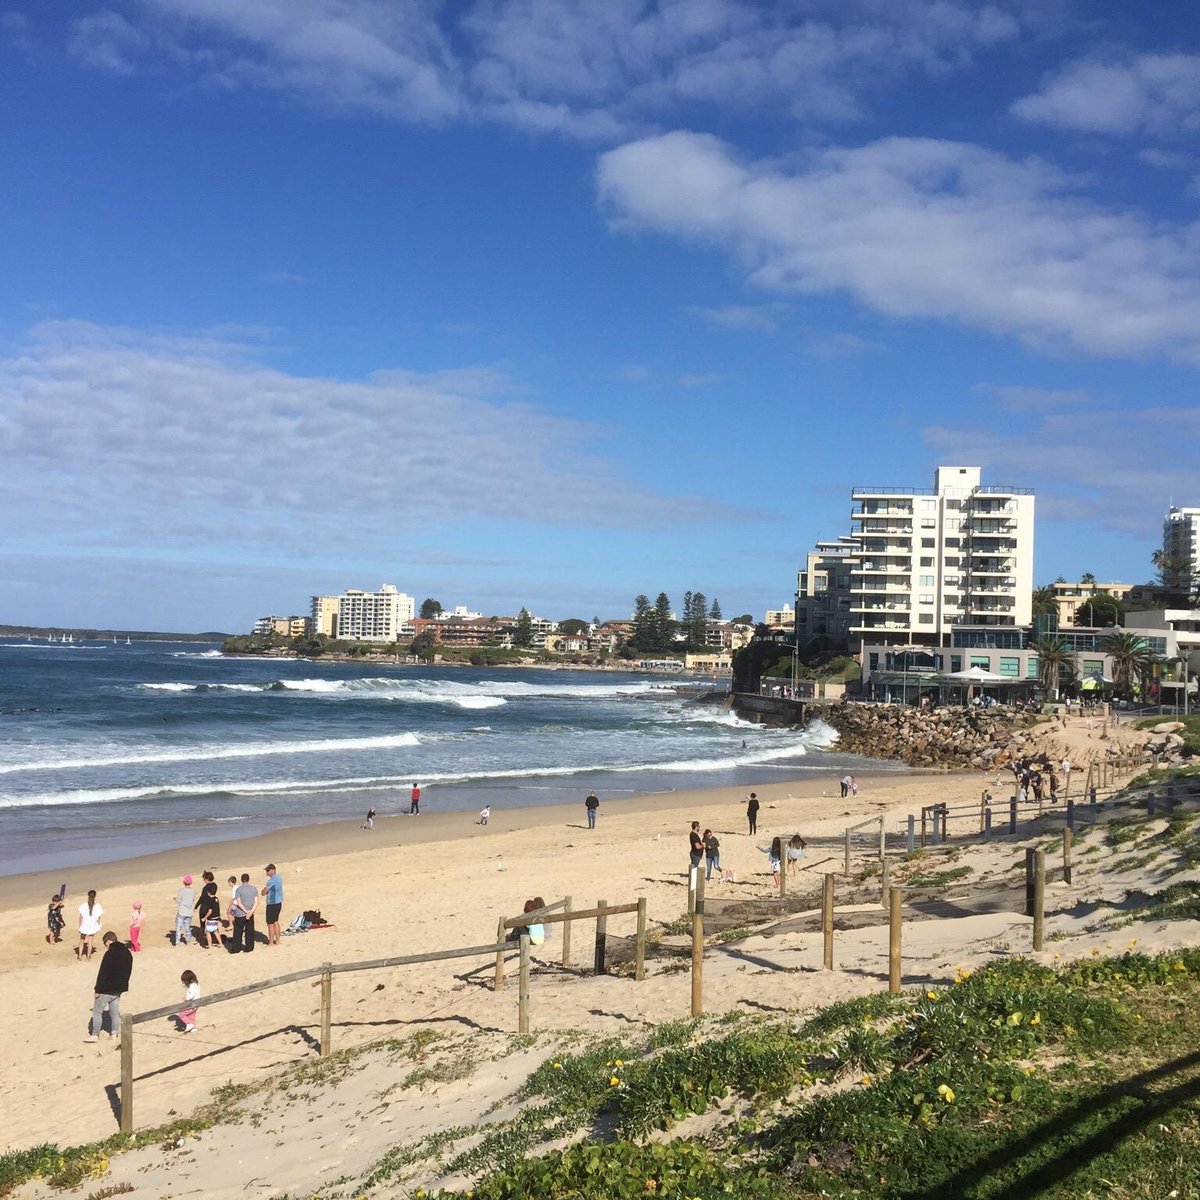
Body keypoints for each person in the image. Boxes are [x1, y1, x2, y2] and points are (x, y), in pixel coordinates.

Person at [85, 930, 132, 1042]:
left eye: (105, 944)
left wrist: (97, 989)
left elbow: (103, 973)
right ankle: (114, 1034)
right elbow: (128, 970)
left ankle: (95, 1034)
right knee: (114, 1012)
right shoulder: (127, 952)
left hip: (107, 988)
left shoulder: (109, 953)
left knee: (97, 1011)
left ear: (108, 941)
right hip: (119, 988)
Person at [229, 872, 258, 953]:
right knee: (250, 931)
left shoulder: (239, 890)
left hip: (240, 914)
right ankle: (249, 948)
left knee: (238, 932)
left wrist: (246, 912)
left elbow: (238, 902)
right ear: (248, 880)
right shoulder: (254, 889)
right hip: (250, 913)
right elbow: (256, 902)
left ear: (242, 880)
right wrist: (250, 912)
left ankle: (236, 949)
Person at [261, 863, 284, 947]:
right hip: (278, 902)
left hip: (272, 903)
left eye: (268, 871)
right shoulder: (279, 878)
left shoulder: (272, 880)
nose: (266, 872)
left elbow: (264, 892)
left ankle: (271, 942)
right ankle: (277, 940)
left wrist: (263, 891)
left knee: (270, 923)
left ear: (273, 870)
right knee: (275, 921)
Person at [77, 890, 103, 960]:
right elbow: (98, 918)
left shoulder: (84, 905)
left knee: (82, 940)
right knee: (90, 941)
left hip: (84, 925)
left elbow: (80, 917)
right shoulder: (97, 906)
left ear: (88, 896)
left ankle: (79, 956)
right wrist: (98, 926)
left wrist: (80, 926)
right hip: (92, 925)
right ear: (95, 896)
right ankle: (88, 956)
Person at [195, 881, 222, 949]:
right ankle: (221, 944)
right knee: (215, 931)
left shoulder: (210, 900)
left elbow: (210, 911)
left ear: (208, 892)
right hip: (217, 918)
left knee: (208, 931)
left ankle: (210, 946)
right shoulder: (216, 898)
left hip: (211, 918)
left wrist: (204, 918)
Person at [174, 876, 196, 946]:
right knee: (187, 927)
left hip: (182, 911)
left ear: (183, 882)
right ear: (191, 882)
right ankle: (188, 940)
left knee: (178, 927)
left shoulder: (182, 891)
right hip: (189, 912)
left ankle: (177, 941)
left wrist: (175, 899)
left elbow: (178, 900)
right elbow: (193, 899)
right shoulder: (193, 891)